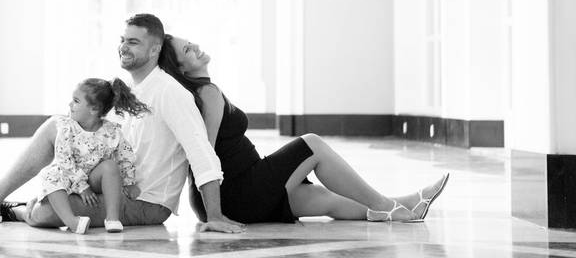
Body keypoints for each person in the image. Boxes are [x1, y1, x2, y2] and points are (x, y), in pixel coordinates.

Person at [0, 14, 244, 233]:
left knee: (45, 213)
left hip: (146, 202)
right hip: (109, 184)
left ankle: (13, 209)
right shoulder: (131, 89)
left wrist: (214, 215)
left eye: (133, 42)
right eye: (122, 40)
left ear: (155, 49)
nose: (124, 47)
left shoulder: (171, 93)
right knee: (57, 125)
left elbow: (201, 153)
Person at [158, 34, 450, 224]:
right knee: (312, 144)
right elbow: (204, 154)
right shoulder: (206, 93)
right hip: (235, 193)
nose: (195, 46)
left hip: (238, 196)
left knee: (323, 199)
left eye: (190, 42)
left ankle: (404, 207)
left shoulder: (201, 94)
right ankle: (386, 205)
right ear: (181, 69)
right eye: (188, 49)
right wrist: (215, 214)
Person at [27, 77, 148, 234]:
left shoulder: (111, 131)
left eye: (76, 101)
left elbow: (125, 156)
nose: (70, 104)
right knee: (50, 175)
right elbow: (64, 160)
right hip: (70, 177)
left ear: (94, 109)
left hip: (94, 178)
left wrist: (129, 182)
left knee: (110, 166)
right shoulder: (67, 128)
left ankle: (112, 218)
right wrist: (82, 187)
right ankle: (72, 221)